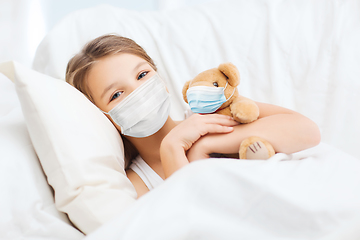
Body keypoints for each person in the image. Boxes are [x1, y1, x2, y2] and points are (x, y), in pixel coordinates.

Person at [66, 34, 321, 198]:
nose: (139, 91)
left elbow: (308, 132)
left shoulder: (210, 113)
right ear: (102, 117)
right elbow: (193, 220)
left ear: (161, 79)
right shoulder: (136, 185)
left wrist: (207, 144)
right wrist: (172, 149)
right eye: (117, 94)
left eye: (142, 75)